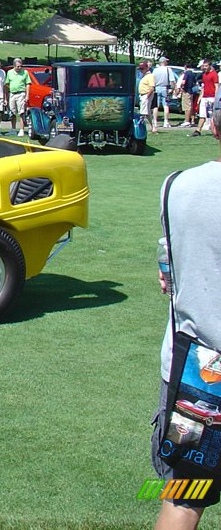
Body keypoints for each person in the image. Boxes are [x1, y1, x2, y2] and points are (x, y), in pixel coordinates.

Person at [153, 110, 221, 529]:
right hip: (196, 371)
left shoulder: (177, 185)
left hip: (195, 369)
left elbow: (167, 271)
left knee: (184, 494)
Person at [191, 61, 218, 138]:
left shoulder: (214, 74)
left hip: (211, 97)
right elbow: (204, 87)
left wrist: (216, 98)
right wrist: (200, 97)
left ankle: (215, 131)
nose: (204, 67)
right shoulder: (204, 75)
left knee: (213, 116)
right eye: (204, 66)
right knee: (202, 115)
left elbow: (216, 86)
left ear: (209, 66)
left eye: (206, 66)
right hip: (205, 97)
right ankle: (198, 130)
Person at [5, 58, 31, 137]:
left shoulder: (25, 72)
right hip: (12, 94)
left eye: (20, 66)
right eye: (17, 66)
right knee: (12, 112)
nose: (19, 68)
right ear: (14, 66)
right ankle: (13, 129)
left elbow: (28, 84)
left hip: (21, 94)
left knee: (21, 112)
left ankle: (21, 130)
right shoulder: (9, 72)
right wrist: (7, 96)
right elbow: (7, 84)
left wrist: (27, 95)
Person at [152, 57, 176, 130]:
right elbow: (172, 81)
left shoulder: (155, 70)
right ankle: (166, 121)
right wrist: (173, 88)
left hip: (156, 88)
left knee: (156, 106)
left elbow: (153, 79)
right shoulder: (168, 70)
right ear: (164, 62)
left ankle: (155, 121)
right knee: (166, 105)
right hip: (165, 88)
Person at [139, 62, 157, 131]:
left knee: (143, 112)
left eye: (142, 69)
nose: (141, 70)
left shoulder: (150, 76)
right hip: (143, 95)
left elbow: (152, 87)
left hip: (146, 94)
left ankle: (141, 126)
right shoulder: (144, 76)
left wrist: (147, 96)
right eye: (140, 69)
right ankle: (153, 127)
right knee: (147, 112)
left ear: (147, 68)